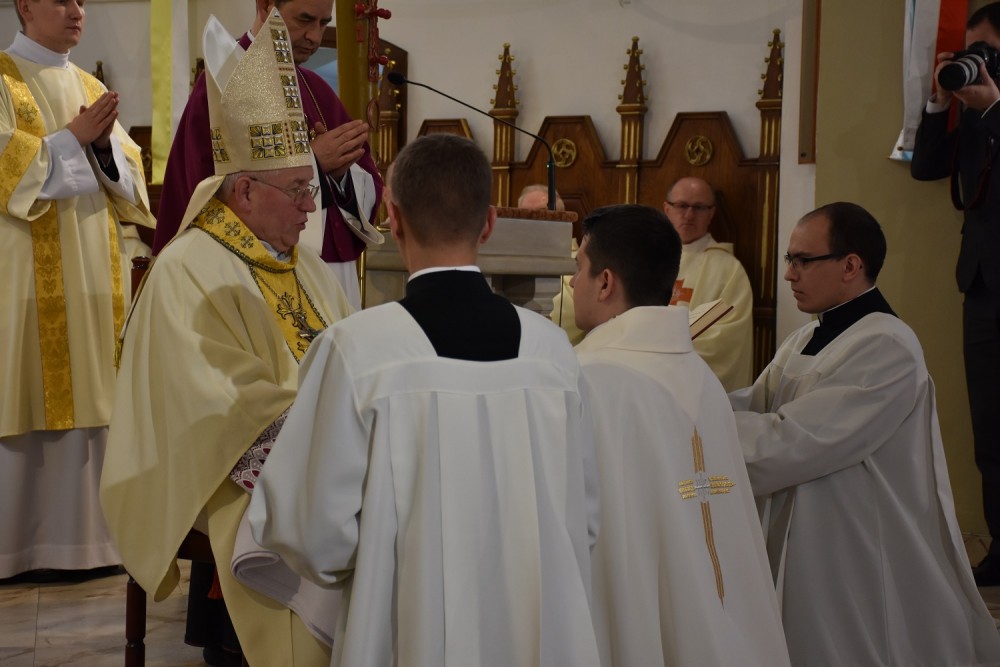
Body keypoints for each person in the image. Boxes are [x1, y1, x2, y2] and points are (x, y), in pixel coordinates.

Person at [245, 134, 602, 667]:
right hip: (536, 628)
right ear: (488, 223)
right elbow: (584, 517)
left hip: (405, 627)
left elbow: (312, 531)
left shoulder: (356, 350)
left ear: (393, 218)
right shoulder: (553, 353)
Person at [100, 12, 351, 665]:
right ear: (244, 190)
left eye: (309, 190)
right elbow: (211, 400)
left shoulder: (303, 264)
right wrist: (319, 436)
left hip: (311, 448)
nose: (310, 206)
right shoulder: (189, 267)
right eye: (298, 191)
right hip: (217, 462)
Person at [730, 202, 1000, 666]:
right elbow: (757, 404)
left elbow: (795, 442)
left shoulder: (885, 344)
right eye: (790, 259)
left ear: (851, 265)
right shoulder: (805, 338)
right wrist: (688, 404)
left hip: (857, 545)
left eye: (803, 260)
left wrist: (694, 432)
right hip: (811, 535)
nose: (789, 274)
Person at [571, 204, 790, 667]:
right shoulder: (699, 373)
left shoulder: (591, 378)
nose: (572, 284)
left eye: (578, 268)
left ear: (605, 282)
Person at [0, 0, 155, 580]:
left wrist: (102, 147)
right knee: (25, 388)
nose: (76, 10)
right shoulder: (2, 78)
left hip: (93, 274)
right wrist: (72, 140)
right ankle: (19, 547)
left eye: (81, 1)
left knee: (96, 391)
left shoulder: (91, 87)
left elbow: (131, 181)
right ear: (24, 5)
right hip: (21, 277)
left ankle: (95, 545)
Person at [153, 0, 383, 310]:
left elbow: (367, 181)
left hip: (329, 276)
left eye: (323, 24)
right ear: (264, 5)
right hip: (255, 277)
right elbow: (209, 190)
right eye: (304, 20)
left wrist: (341, 177)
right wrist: (312, 163)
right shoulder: (224, 81)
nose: (315, 37)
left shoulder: (316, 88)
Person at [910, 2, 1000, 586]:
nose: (977, 61)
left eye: (987, 50)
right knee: (989, 429)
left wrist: (991, 109)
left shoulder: (990, 109)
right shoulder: (973, 109)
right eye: (973, 50)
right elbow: (926, 168)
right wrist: (941, 103)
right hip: (983, 283)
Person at [663, 177, 753, 391]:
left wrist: (661, 355)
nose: (689, 215)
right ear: (667, 209)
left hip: (690, 387)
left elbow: (725, 341)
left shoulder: (729, 271)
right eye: (681, 205)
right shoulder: (645, 260)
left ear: (711, 213)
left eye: (699, 207)